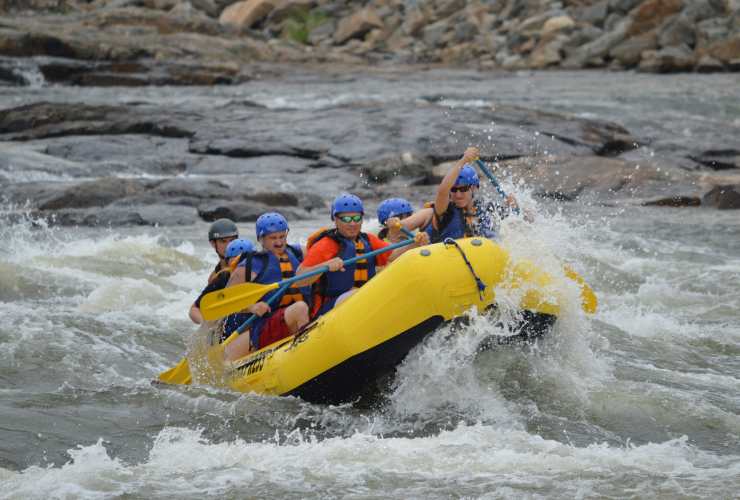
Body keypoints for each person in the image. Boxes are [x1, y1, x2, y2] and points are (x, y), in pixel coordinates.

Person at [296, 193, 429, 319]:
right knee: (358, 295)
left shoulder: (368, 240)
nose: (352, 223)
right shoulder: (326, 245)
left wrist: (415, 244)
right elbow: (299, 279)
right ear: (335, 220)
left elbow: (392, 255)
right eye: (346, 219)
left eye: (356, 218)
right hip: (330, 309)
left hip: (365, 302)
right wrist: (325, 265)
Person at [222, 212, 311, 361]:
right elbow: (227, 301)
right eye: (273, 238)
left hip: (297, 317)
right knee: (300, 308)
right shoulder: (250, 265)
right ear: (261, 239)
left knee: (303, 307)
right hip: (266, 324)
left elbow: (320, 252)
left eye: (282, 236)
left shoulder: (298, 252)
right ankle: (306, 355)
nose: (279, 242)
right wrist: (252, 307)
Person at [412, 146, 519, 244]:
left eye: (463, 189)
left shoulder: (487, 209)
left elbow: (518, 219)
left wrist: (513, 206)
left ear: (474, 188)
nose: (458, 195)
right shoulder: (444, 211)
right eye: (453, 190)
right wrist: (464, 160)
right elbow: (442, 191)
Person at [189, 238, 253, 324]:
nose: (242, 265)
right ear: (228, 262)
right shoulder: (223, 277)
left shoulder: (262, 274)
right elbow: (194, 309)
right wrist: (205, 324)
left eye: (245, 260)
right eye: (237, 261)